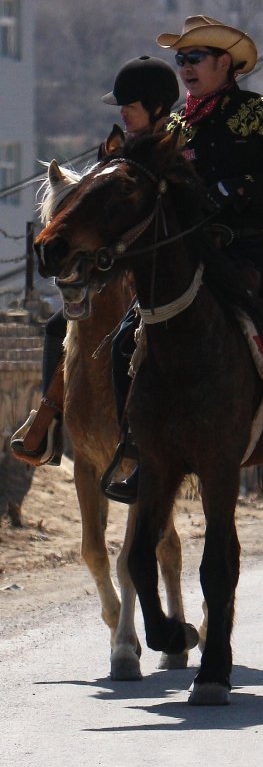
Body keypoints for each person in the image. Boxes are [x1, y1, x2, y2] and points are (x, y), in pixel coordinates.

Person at [107, 15, 263, 504]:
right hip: (193, 256)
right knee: (121, 344)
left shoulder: (262, 113)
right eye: (181, 60)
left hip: (254, 248)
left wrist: (239, 187)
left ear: (225, 63)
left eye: (195, 59)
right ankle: (133, 450)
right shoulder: (172, 127)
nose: (186, 68)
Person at [10, 56, 180, 468]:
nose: (122, 112)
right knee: (58, 327)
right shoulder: (117, 152)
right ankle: (49, 426)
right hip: (113, 268)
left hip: (163, 271)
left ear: (157, 107)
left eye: (130, 105)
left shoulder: (175, 148)